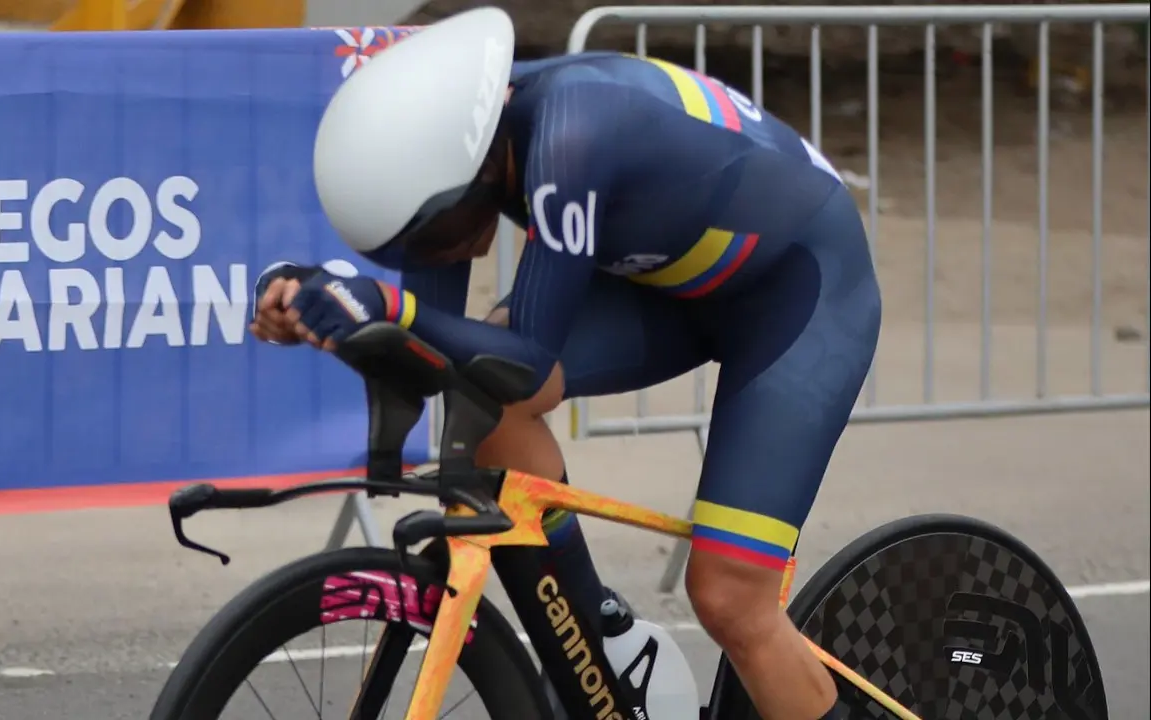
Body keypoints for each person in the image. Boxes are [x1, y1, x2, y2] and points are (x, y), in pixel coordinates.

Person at [250, 8, 880, 720]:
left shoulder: (571, 135)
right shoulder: (466, 153)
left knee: (730, 598)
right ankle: (602, 643)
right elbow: (437, 351)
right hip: (675, 284)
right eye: (413, 242)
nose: (436, 252)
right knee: (480, 391)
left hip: (797, 293)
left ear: (475, 172)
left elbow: (525, 364)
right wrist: (318, 309)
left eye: (438, 230)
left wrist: (387, 307)